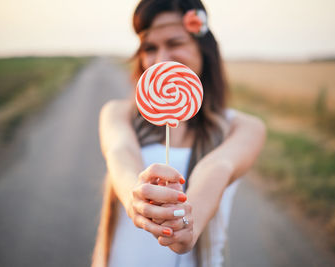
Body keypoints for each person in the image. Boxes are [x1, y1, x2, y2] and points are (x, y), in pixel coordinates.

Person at [92, 0, 266, 266]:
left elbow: (218, 167)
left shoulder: (243, 127)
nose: (161, 59)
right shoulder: (118, 113)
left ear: (203, 49)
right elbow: (120, 153)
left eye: (175, 43)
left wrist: (188, 219)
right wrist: (135, 198)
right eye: (150, 48)